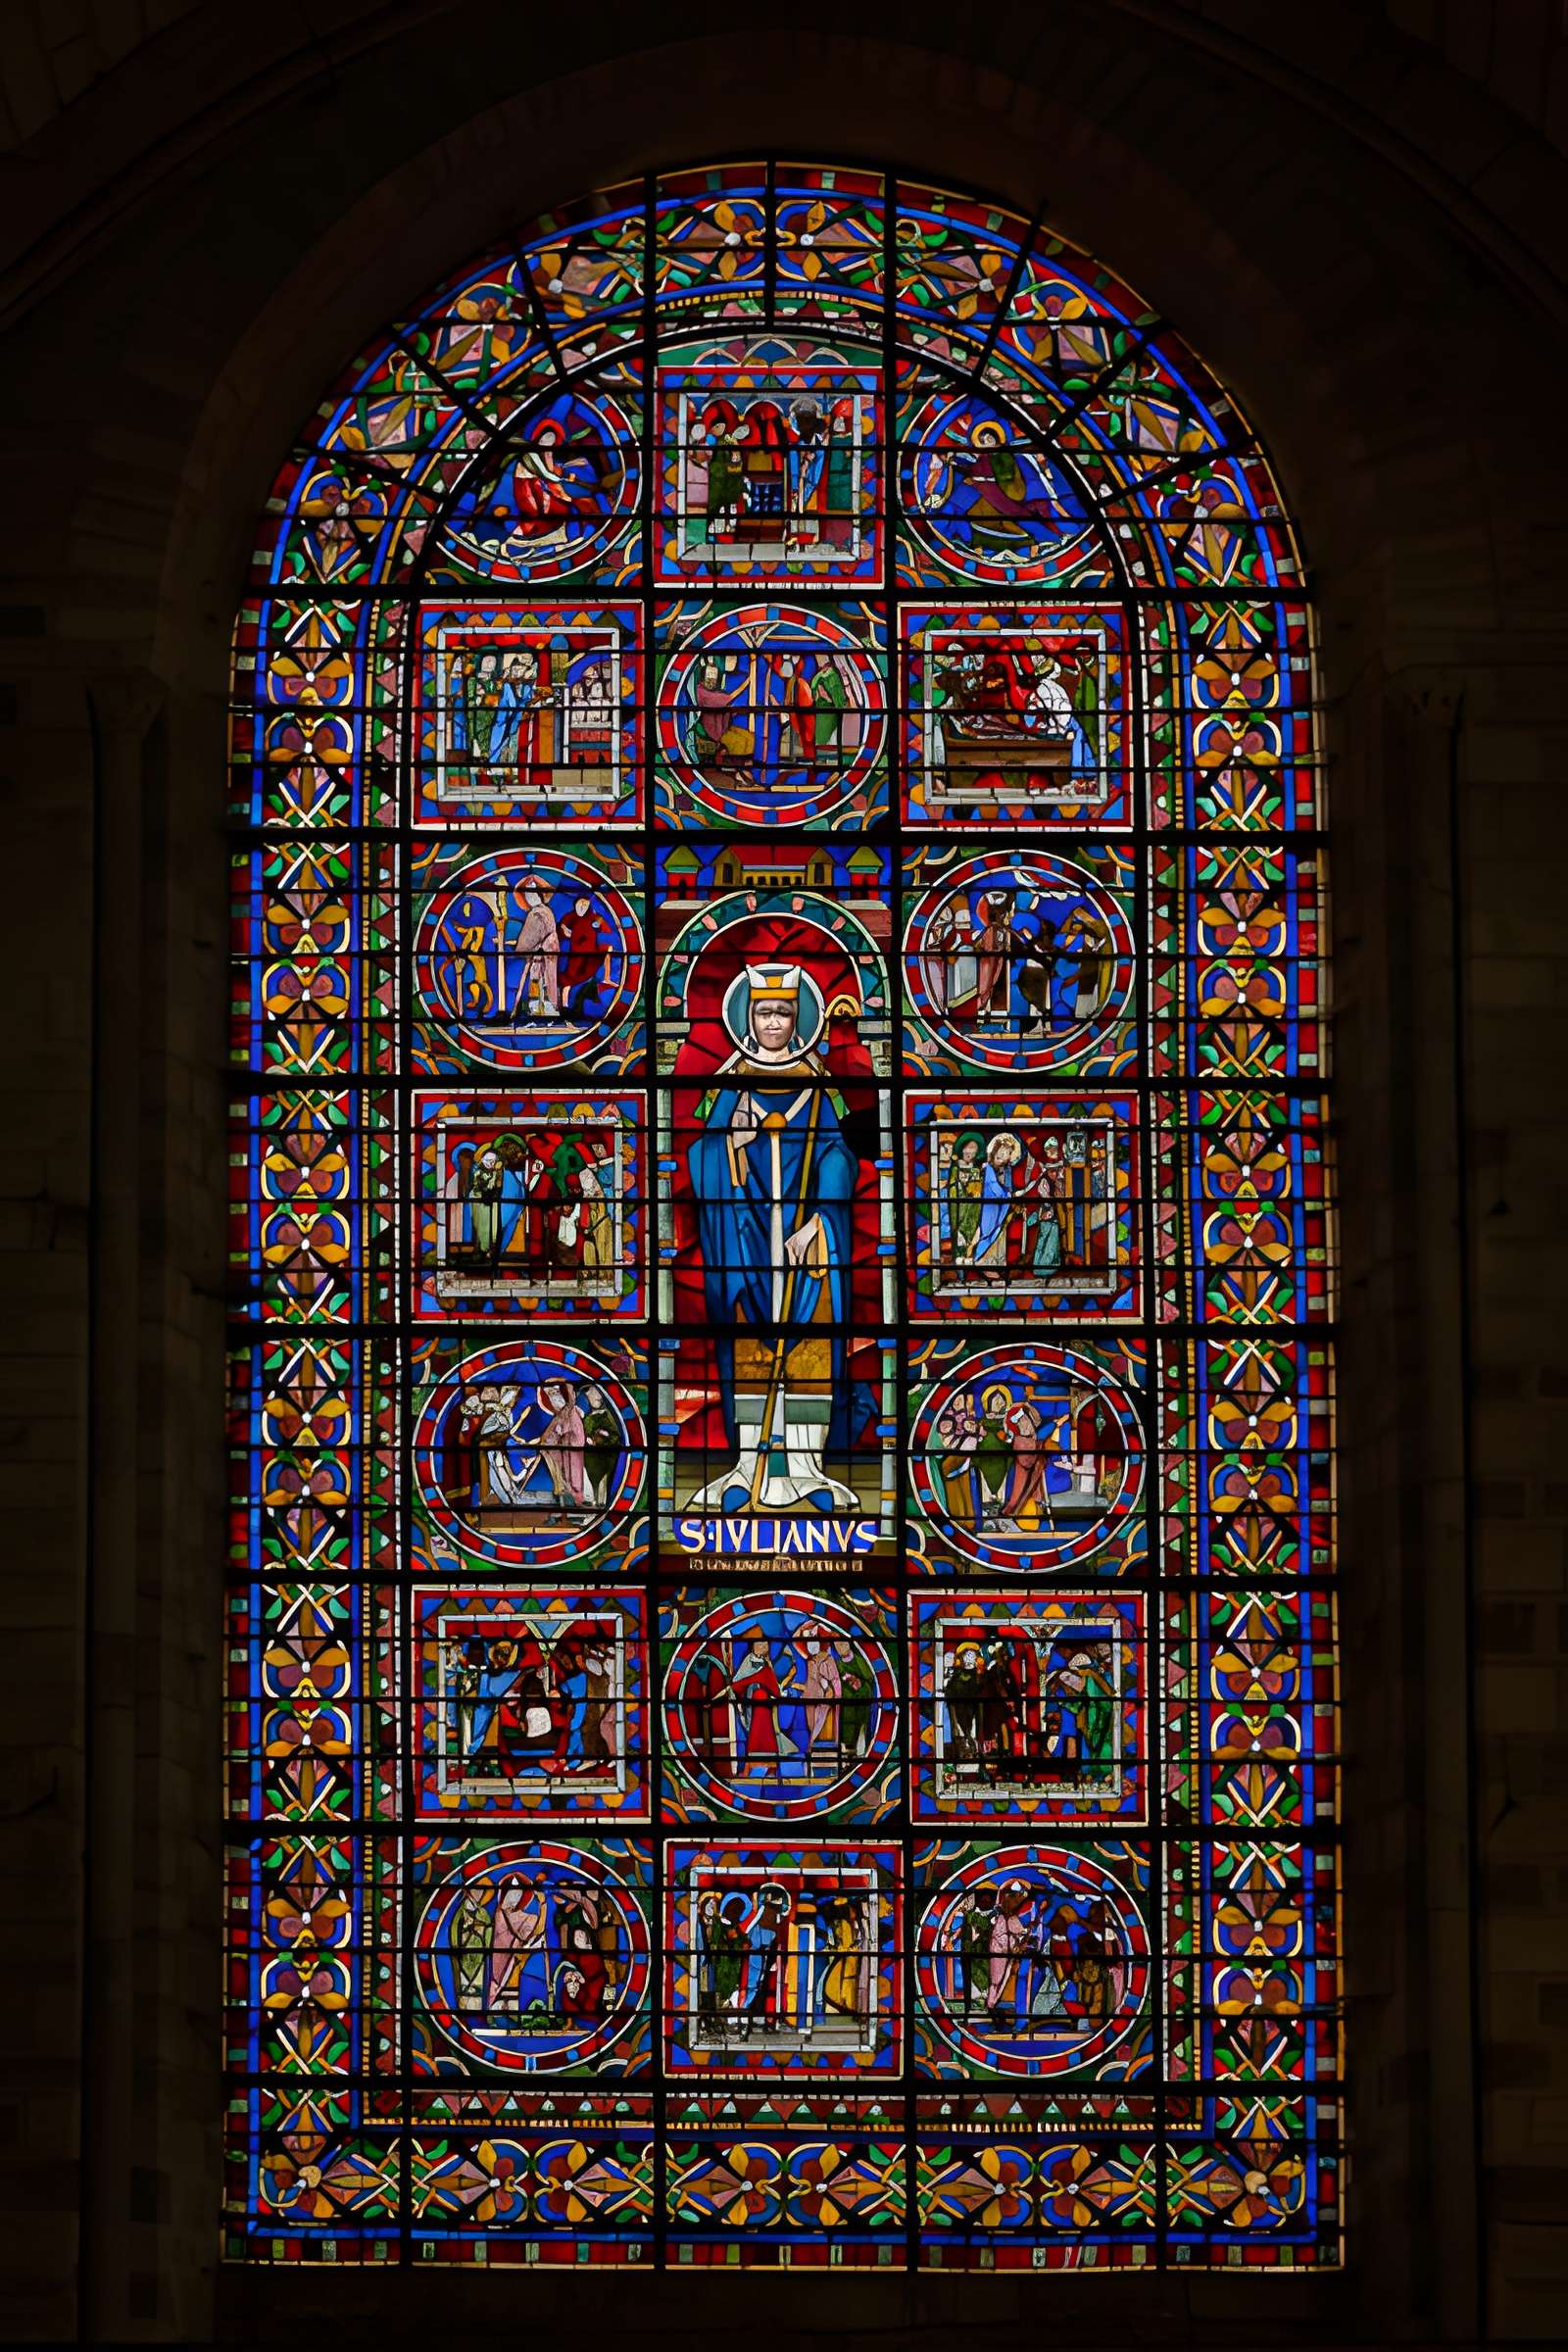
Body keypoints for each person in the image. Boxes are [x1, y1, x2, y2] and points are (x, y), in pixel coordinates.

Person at [686, 963, 860, 1511]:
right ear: (747, 1018)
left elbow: (840, 1155)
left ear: (798, 1019)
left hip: (806, 1245)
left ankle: (807, 1469)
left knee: (808, 1344)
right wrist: (731, 1143)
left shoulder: (817, 1085)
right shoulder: (730, 1087)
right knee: (749, 1342)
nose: (773, 1022)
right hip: (745, 1239)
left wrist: (819, 1222)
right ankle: (749, 1464)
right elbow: (699, 1157)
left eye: (783, 1012)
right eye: (764, 1012)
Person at [510, 882, 561, 1019]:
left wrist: (521, 948)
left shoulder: (537, 913)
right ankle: (542, 1008)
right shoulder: (544, 910)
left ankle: (545, 1008)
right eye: (528, 895)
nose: (530, 897)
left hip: (543, 951)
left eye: (532, 894)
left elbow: (529, 937)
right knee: (542, 977)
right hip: (545, 950)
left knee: (542, 978)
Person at [558, 893, 608, 1020]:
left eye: (586, 904)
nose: (583, 907)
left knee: (587, 976)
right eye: (581, 904)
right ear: (575, 904)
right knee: (568, 980)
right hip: (575, 956)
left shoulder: (593, 917)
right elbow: (562, 929)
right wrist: (565, 931)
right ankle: (564, 1006)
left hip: (590, 956)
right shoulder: (570, 917)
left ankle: (581, 1005)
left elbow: (601, 925)